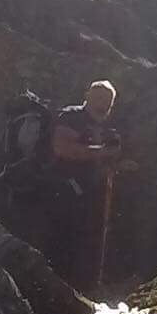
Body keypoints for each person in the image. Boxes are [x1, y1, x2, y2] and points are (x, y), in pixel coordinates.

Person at [40, 79, 126, 288]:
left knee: (84, 249)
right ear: (87, 96)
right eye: (99, 97)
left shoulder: (105, 127)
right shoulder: (72, 117)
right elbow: (62, 148)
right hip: (63, 193)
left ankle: (81, 289)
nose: (103, 104)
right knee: (60, 246)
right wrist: (102, 152)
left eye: (108, 101)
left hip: (90, 198)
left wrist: (119, 164)